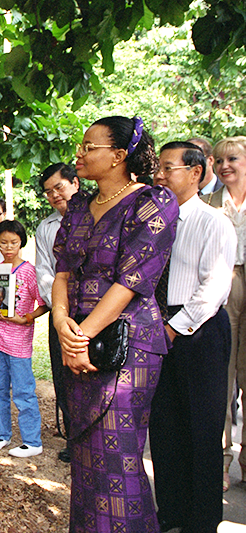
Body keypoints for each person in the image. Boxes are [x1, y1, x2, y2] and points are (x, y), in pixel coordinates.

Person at [52, 115, 178, 531]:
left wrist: (82, 337)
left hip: (128, 346)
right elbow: (64, 273)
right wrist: (61, 324)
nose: (80, 153)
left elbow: (132, 281)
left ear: (119, 156)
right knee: (85, 456)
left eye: (90, 147)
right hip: (77, 338)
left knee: (118, 457)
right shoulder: (77, 208)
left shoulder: (153, 203)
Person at [150, 141, 235, 533]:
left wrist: (173, 327)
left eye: (169, 168)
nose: (160, 175)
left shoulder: (212, 221)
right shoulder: (153, 222)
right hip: (157, 330)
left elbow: (214, 288)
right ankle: (170, 513)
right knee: (164, 429)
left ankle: (201, 522)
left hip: (198, 333)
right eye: (159, 168)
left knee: (201, 430)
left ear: (196, 173)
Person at [0, 220, 48, 457]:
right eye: (3, 243)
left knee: (23, 390)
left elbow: (45, 303)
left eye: (14, 243)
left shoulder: (30, 272)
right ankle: (3, 434)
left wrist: (27, 318)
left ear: (22, 243)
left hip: (18, 341)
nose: (8, 248)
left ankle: (32, 441)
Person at [201, 135, 246, 491]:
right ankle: (220, 461)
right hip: (224, 282)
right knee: (223, 375)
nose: (224, 165)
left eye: (232, 158)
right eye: (218, 160)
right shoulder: (207, 203)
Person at [34, 163, 80, 463]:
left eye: (59, 187)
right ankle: (73, 438)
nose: (54, 195)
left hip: (95, 311)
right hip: (60, 312)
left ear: (75, 183)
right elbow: (44, 273)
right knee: (63, 376)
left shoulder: (99, 216)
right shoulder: (45, 227)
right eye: (48, 192)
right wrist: (62, 308)